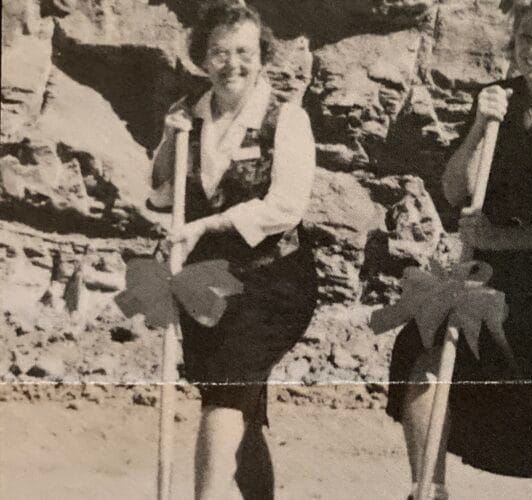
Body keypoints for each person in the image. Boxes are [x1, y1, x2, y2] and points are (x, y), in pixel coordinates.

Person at [384, 1, 532, 498]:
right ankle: (426, 490)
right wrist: (477, 126)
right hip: (493, 275)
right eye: (525, 39)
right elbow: (455, 190)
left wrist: (499, 238)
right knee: (423, 348)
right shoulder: (495, 102)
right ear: (512, 41)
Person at [147, 1, 318, 498]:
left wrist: (206, 225)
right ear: (203, 58)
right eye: (219, 52)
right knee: (240, 419)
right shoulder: (190, 117)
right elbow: (160, 195)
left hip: (274, 284)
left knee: (223, 399)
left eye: (243, 51)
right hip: (210, 290)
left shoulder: (287, 119)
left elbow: (284, 207)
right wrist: (167, 137)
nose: (232, 64)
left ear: (262, 56)